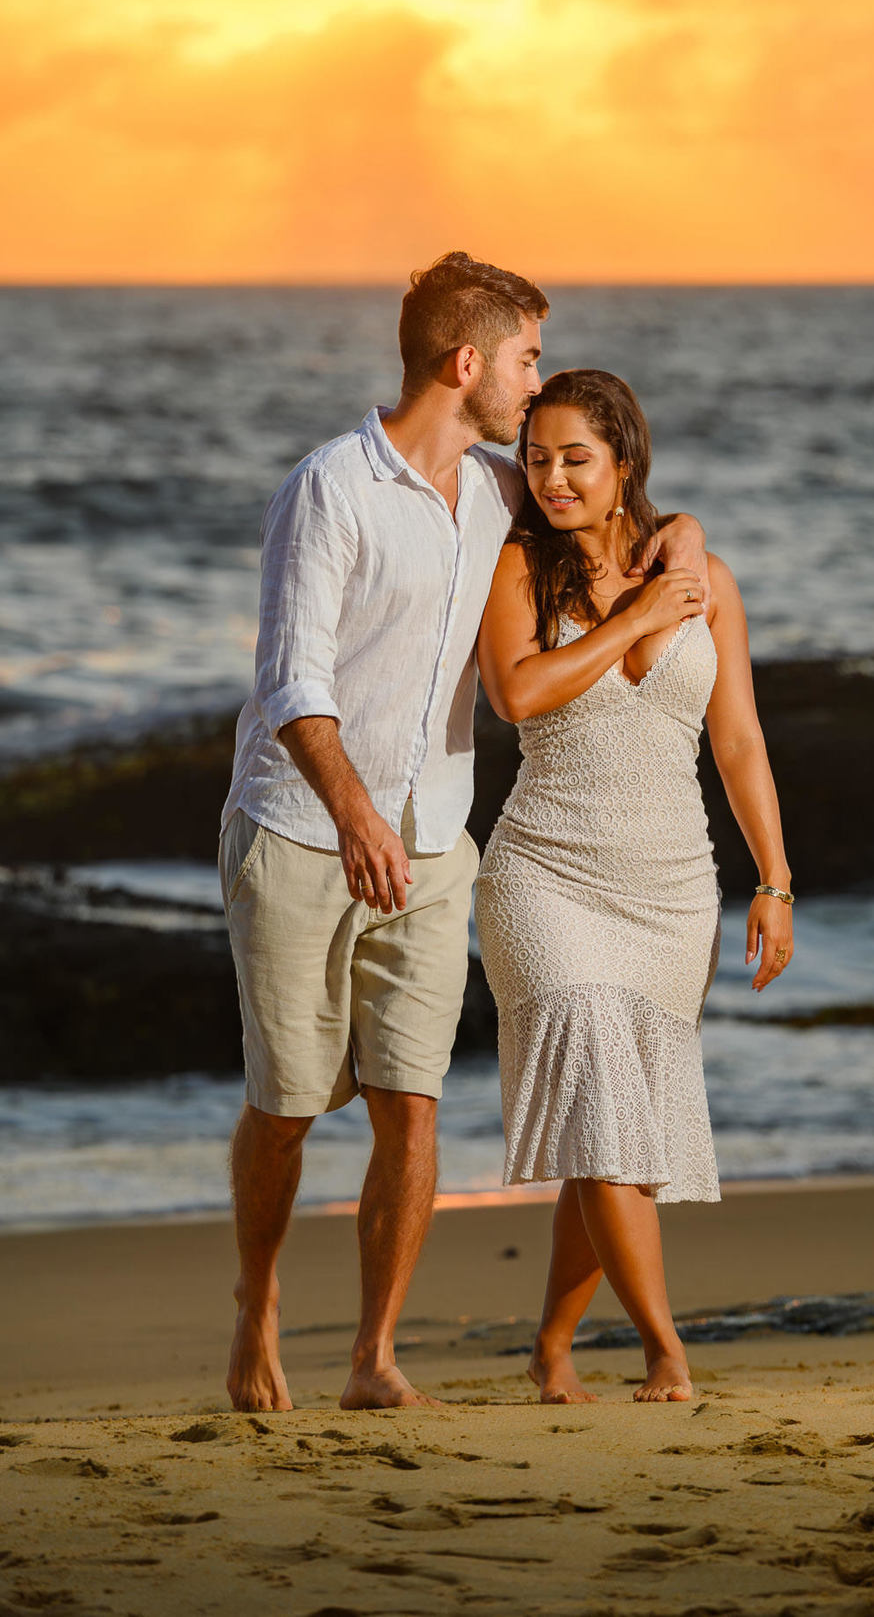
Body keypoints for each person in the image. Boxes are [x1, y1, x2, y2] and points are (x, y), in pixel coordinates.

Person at [219, 258, 706, 1413]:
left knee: (412, 1099)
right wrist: (352, 818)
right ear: (467, 363)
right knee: (289, 1103)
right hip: (299, 830)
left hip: (437, 842)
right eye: (529, 358)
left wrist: (683, 537)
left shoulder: (500, 493)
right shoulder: (329, 488)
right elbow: (292, 684)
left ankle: (373, 1357)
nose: (538, 387)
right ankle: (258, 1300)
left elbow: (626, 509)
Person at [474, 368, 794, 1405]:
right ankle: (667, 1349)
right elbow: (519, 691)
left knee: (606, 1127)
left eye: (576, 458)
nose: (554, 477)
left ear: (624, 464)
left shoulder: (705, 572)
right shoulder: (518, 567)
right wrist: (638, 614)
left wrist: (776, 880)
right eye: (537, 458)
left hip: (671, 887)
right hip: (545, 875)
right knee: (601, 1085)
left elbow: (738, 739)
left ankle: (552, 1348)